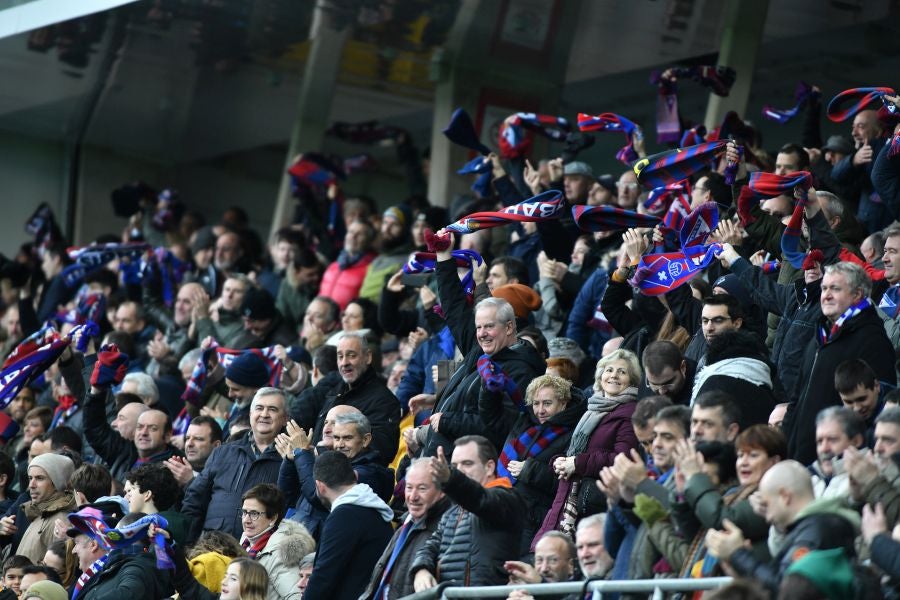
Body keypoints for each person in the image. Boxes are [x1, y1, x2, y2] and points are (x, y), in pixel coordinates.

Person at [784, 262, 896, 465]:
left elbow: (878, 409)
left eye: (835, 289)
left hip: (836, 464)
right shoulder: (821, 335)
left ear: (857, 294)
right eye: (824, 288)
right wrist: (784, 444)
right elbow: (796, 399)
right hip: (800, 458)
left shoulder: (873, 340)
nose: (826, 295)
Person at [705, 460, 859, 596]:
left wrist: (738, 554)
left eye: (766, 504)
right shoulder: (812, 528)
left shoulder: (817, 531)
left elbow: (786, 590)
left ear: (785, 496)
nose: (767, 516)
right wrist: (741, 570)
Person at [535, 350, 640, 543]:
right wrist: (559, 461)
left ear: (632, 381)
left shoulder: (629, 413)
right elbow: (577, 449)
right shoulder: (592, 409)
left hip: (594, 504)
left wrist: (577, 463)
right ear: (600, 376)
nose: (614, 376)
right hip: (567, 497)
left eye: (622, 372)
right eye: (609, 370)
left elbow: (621, 459)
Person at [479, 373, 586, 555]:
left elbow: (566, 484)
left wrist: (529, 470)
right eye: (536, 403)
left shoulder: (574, 434)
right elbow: (491, 417)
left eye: (547, 403)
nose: (540, 410)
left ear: (563, 403)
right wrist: (486, 382)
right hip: (500, 505)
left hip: (531, 520)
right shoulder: (526, 421)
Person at [411, 435, 524, 590]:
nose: (459, 470)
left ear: (489, 467)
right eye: (454, 466)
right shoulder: (453, 511)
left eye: (467, 463)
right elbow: (430, 546)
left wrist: (452, 479)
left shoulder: (507, 499)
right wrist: (421, 569)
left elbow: (481, 499)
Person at [182, 388, 287, 541]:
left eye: (272, 409)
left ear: (285, 418)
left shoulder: (289, 458)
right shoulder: (223, 452)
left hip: (258, 549)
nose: (264, 414)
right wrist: (189, 543)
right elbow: (194, 500)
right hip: (212, 545)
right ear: (250, 414)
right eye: (259, 408)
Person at [302, 451, 393, 600]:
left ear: (320, 486)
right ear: (355, 476)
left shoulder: (343, 517)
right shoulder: (372, 508)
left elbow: (323, 577)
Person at [360, 458, 451, 600]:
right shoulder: (407, 521)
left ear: (442, 491)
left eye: (422, 488)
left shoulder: (447, 530)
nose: (413, 497)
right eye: (409, 487)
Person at [310, 333, 400, 466]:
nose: (344, 363)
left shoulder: (384, 401)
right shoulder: (334, 392)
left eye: (351, 355)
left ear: (368, 357)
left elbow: (381, 450)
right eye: (340, 356)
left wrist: (327, 449)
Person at [234, 484, 313, 600]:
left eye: (254, 514)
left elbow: (296, 597)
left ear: (273, 518)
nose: (246, 520)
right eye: (245, 512)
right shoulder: (246, 542)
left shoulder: (280, 553)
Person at [75, 512, 174, 600]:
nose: (110, 541)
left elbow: (131, 592)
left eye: (115, 534)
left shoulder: (137, 566)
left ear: (128, 537)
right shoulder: (117, 566)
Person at [2, 454, 76, 563]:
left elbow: (58, 570)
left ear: (57, 482)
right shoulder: (35, 509)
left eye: (39, 478)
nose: (31, 485)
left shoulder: (61, 521)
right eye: (30, 478)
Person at [810, 407, 866, 499]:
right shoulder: (807, 478)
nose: (824, 449)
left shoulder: (870, 480)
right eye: (819, 441)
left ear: (856, 441)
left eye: (832, 440)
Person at [640, 341, 696, 406]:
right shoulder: (645, 380)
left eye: (668, 383)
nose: (662, 392)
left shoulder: (700, 383)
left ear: (683, 367)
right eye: (654, 384)